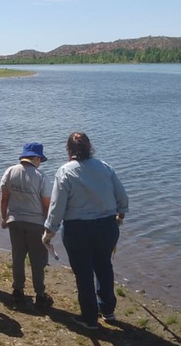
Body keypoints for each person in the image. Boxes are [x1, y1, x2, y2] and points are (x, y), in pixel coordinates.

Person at [43, 132, 129, 330]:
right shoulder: (105, 167)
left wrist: (49, 232)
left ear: (68, 150)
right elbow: (122, 197)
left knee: (83, 273)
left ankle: (90, 318)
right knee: (104, 266)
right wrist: (120, 218)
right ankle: (108, 310)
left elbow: (57, 208)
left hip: (78, 230)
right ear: (90, 147)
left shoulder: (65, 171)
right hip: (107, 226)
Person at [0, 142, 54, 308]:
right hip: (36, 224)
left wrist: (4, 218)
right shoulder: (41, 177)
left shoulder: (9, 171)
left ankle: (18, 291)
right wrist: (49, 226)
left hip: (14, 221)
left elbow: (4, 198)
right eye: (40, 160)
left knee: (18, 257)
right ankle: (39, 294)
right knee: (37, 261)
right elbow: (46, 204)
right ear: (36, 158)